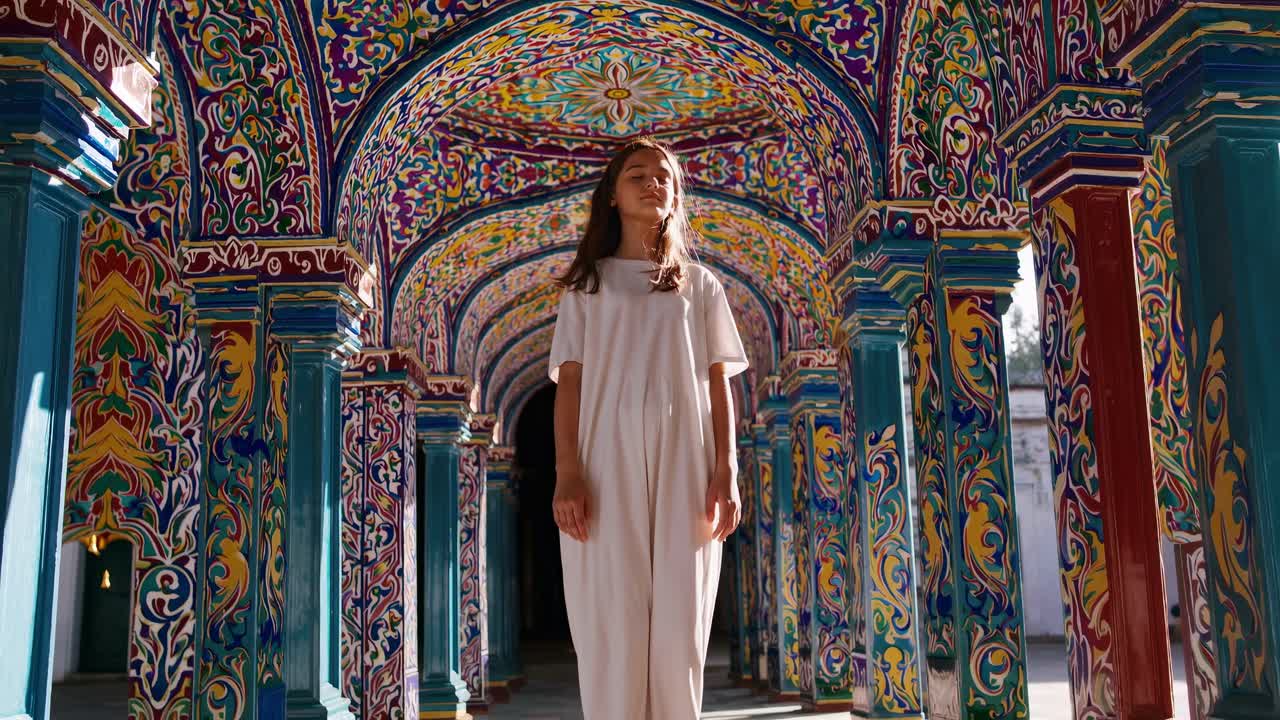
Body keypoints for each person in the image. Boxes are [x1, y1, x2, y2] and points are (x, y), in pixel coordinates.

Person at [546, 136, 750, 720]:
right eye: (637, 174)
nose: (653, 182)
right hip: (603, 458)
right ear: (611, 195)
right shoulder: (588, 286)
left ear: (676, 194)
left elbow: (719, 384)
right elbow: (572, 385)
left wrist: (726, 470)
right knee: (614, 611)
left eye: (664, 175)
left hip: (687, 455)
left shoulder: (701, 285)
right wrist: (568, 472)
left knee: (682, 619)